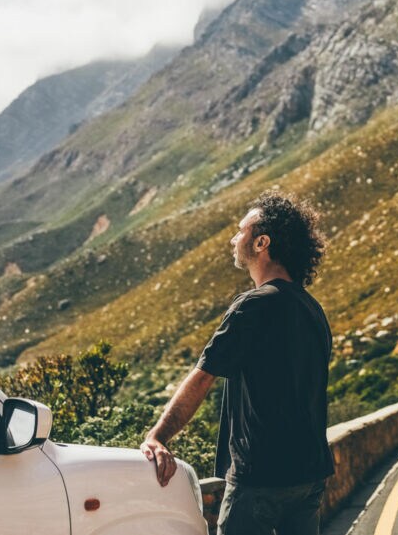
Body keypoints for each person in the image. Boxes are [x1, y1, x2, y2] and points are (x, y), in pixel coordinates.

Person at [141, 191, 334, 535]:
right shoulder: (313, 310)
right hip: (310, 474)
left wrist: (158, 435)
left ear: (261, 242)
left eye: (241, 230)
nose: (234, 238)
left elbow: (203, 377)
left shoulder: (254, 305)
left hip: (261, 476)